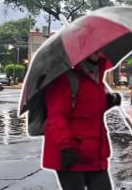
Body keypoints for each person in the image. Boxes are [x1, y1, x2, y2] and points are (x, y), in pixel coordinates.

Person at [42, 51, 121, 190]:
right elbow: (56, 116)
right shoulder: (65, 80)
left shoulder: (96, 78)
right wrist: (65, 147)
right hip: (71, 152)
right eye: (95, 47)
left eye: (100, 47)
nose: (99, 50)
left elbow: (88, 111)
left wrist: (109, 102)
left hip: (93, 153)